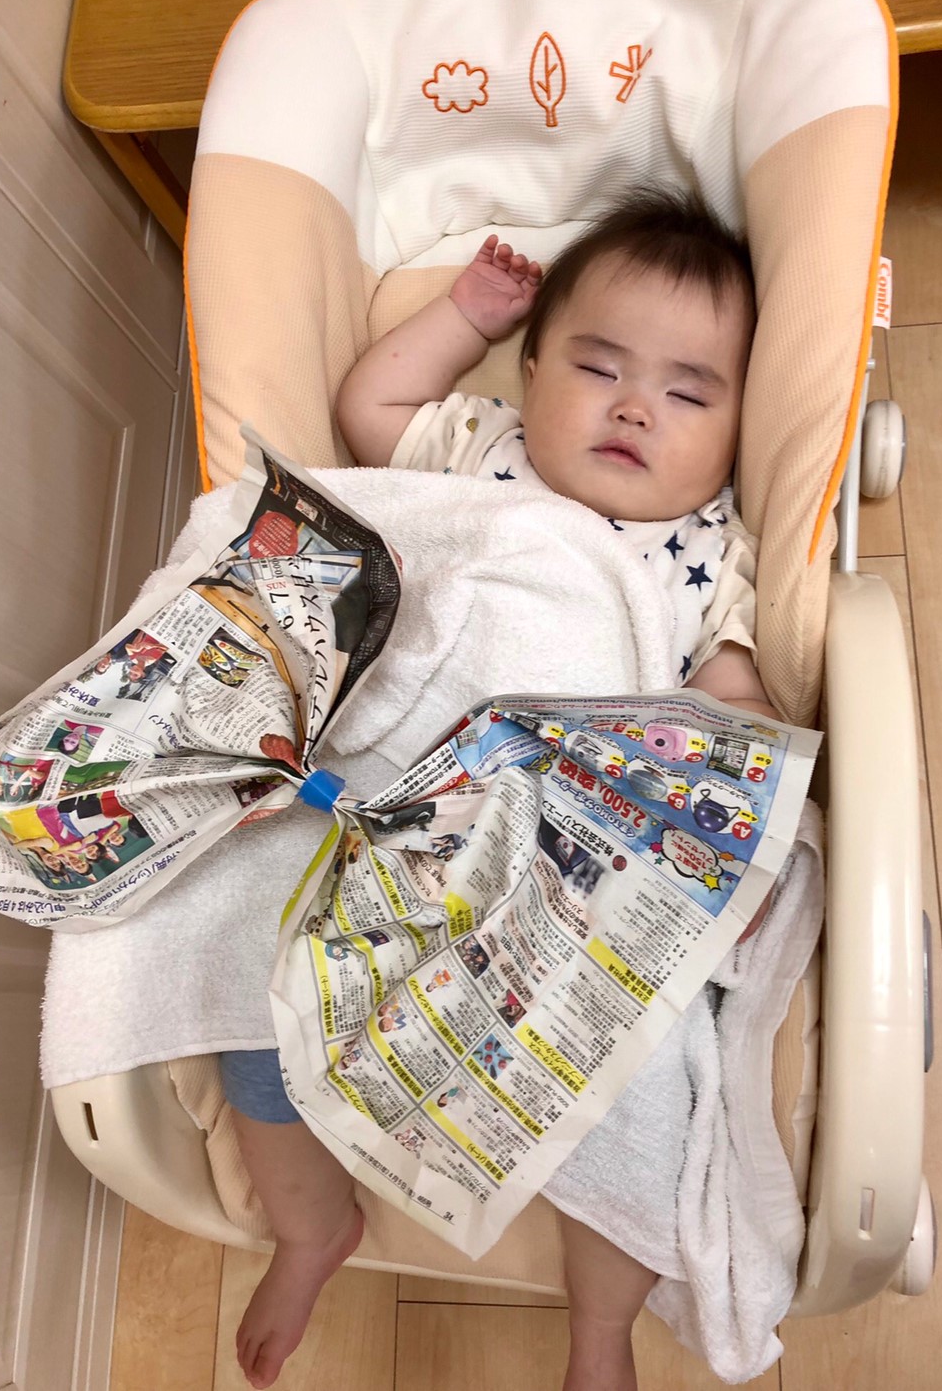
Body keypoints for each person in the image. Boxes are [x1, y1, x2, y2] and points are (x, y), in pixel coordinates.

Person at [223, 187, 781, 1391]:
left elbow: (728, 705)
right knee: (257, 1022)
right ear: (530, 371)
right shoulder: (482, 449)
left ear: (737, 432)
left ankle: (600, 1329)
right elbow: (368, 410)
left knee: (639, 1082)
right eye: (598, 366)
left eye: (689, 394)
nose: (634, 406)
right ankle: (311, 1226)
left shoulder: (708, 551)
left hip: (564, 868)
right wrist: (464, 315)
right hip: (399, 814)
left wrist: (718, 823)